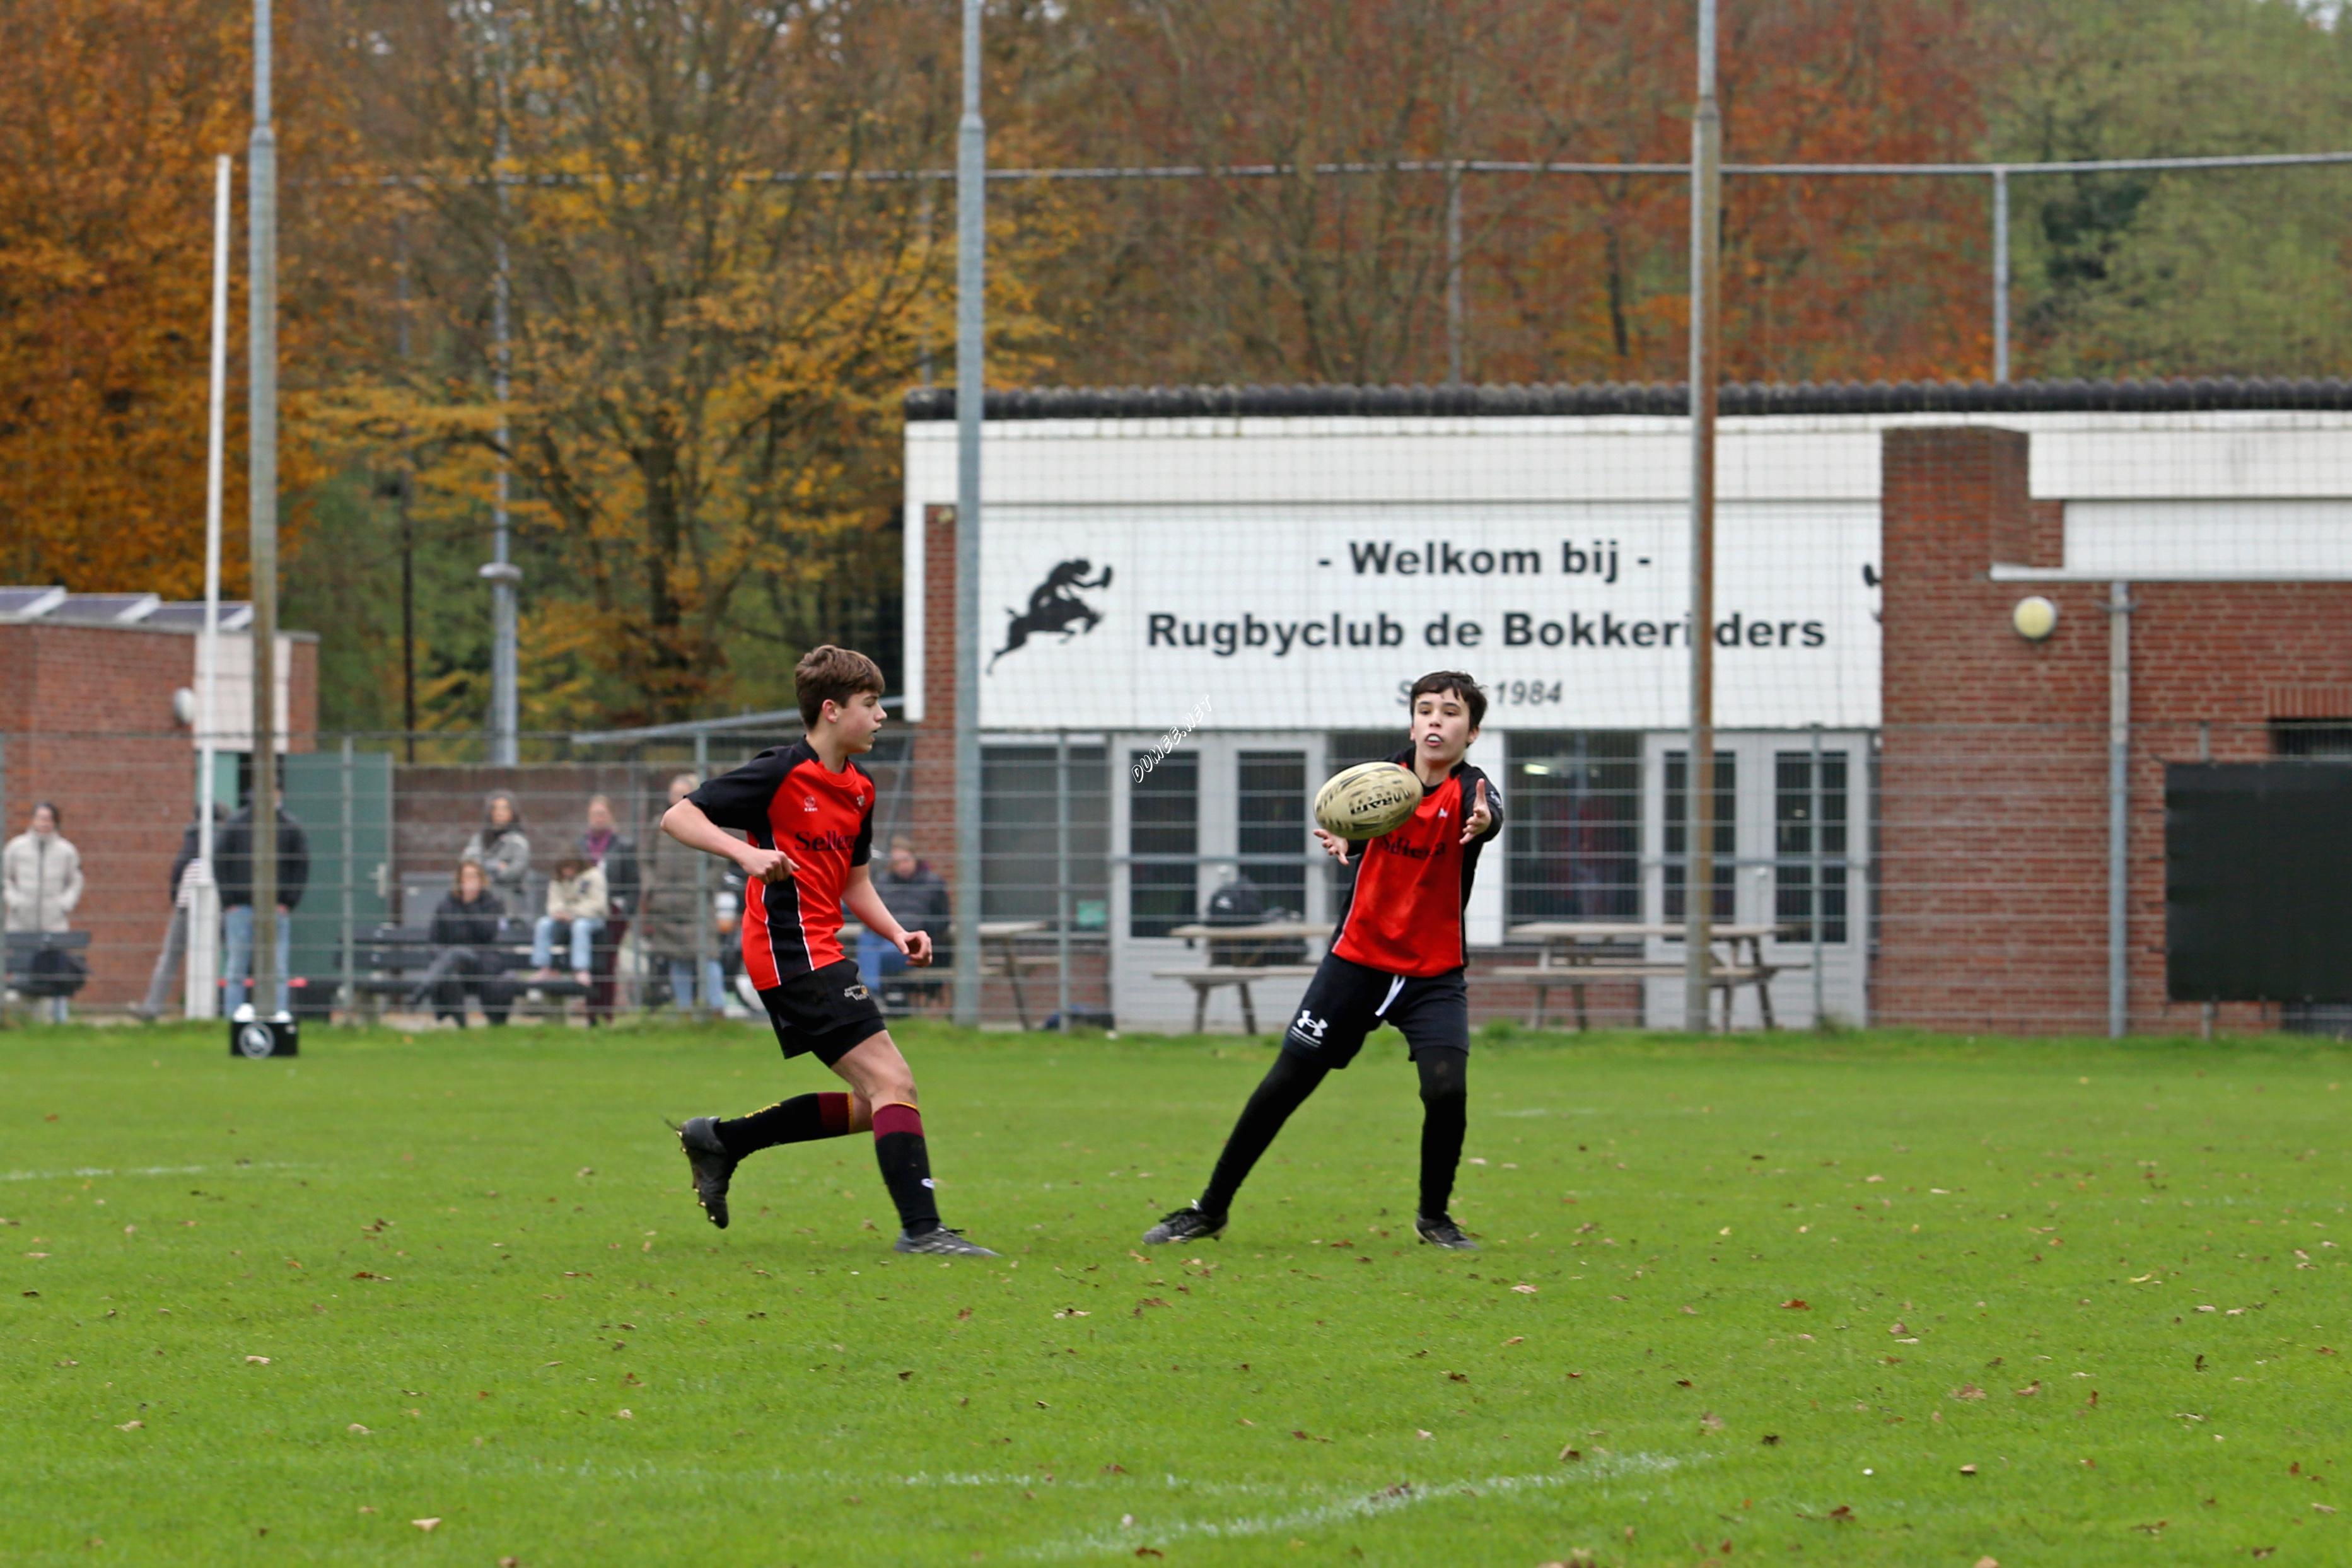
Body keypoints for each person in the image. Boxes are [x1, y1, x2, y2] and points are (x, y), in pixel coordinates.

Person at [1143, 671, 1503, 1252]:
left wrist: (1486, 825)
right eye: (1426, 709)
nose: (1436, 719)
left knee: (1446, 1090)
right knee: (1284, 1084)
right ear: (1413, 723)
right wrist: (1346, 839)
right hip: (1356, 962)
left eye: (1452, 712)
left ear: (1472, 732)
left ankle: (1434, 1217)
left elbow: (1488, 818)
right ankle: (1208, 1209)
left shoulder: (1473, 791)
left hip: (1432, 973)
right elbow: (1359, 826)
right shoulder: (1380, 781)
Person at [662, 644, 996, 1257]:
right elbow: (677, 818)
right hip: (788, 952)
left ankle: (723, 1140)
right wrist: (747, 854)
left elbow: (855, 884)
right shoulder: (780, 772)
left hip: (820, 951)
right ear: (831, 710)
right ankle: (922, 1232)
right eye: (871, 705)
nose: (881, 717)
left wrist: (896, 932)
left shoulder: (861, 790)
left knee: (878, 1103)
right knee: (895, 1082)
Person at [130, 804, 227, 1021]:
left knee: (171, 956)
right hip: (216, 904)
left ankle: (153, 1007)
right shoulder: (223, 839)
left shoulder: (193, 837)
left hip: (188, 903)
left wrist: (176, 898)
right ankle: (227, 1008)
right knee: (223, 956)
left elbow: (178, 870)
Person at [218, 794, 310, 1018]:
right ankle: (232, 1018)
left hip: (276, 908)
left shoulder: (289, 827)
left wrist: (288, 901)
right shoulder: (236, 826)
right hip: (240, 907)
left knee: (277, 967)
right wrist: (229, 901)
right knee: (237, 966)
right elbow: (220, 861)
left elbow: (301, 866)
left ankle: (277, 1016)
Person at [639, 773, 725, 1012]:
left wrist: (705, 886)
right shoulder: (658, 824)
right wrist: (652, 886)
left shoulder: (707, 822)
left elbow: (719, 860)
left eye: (681, 792)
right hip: (665, 902)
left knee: (708, 956)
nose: (675, 796)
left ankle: (716, 1009)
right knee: (677, 958)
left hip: (697, 901)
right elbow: (645, 859)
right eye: (673, 792)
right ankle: (684, 1011)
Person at [4, 802, 85, 1023]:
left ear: (55, 822)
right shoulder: (16, 847)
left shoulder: (66, 851)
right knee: (21, 972)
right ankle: (20, 1020)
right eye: (40, 818)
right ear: (32, 820)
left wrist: (65, 904)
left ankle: (58, 1021)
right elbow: (6, 879)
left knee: (55, 973)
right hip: (21, 921)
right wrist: (15, 901)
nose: (43, 823)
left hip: (54, 922)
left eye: (48, 819)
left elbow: (76, 881)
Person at [409, 860, 517, 1026]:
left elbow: (487, 934)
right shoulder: (446, 905)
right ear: (459, 880)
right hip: (454, 966)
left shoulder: (491, 904)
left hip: (482, 962)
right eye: (466, 877)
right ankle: (462, 1027)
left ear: (481, 880)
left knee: (456, 953)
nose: (470, 881)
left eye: (474, 877)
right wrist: (443, 959)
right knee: (450, 971)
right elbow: (434, 940)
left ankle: (423, 990)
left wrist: (471, 905)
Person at [858, 835, 949, 996]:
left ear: (915, 858)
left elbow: (943, 920)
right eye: (897, 862)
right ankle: (873, 993)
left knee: (869, 957)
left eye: (906, 860)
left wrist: (922, 930)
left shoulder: (933, 883)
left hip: (911, 943)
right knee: (866, 941)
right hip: (884, 939)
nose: (902, 866)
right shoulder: (883, 883)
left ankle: (870, 993)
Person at [578, 793, 639, 1023]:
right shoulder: (580, 846)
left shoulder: (623, 846)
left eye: (603, 814)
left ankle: (606, 1014)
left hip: (613, 912)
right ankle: (591, 1015)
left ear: (611, 816)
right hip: (585, 912)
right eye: (595, 814)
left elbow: (634, 883)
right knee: (590, 963)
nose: (599, 818)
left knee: (608, 964)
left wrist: (627, 912)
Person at [530, 854, 607, 987]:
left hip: (591, 919)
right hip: (563, 919)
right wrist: (560, 913)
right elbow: (553, 903)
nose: (567, 872)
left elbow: (598, 904)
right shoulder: (558, 880)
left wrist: (574, 913)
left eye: (570, 867)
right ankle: (544, 967)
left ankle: (581, 969)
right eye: (564, 868)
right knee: (544, 924)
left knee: (580, 926)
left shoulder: (594, 876)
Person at [461, 792, 531, 909]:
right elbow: (467, 862)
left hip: (509, 901)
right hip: (478, 898)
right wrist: (495, 867)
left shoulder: (519, 842)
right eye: (495, 808)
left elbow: (517, 870)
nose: (499, 813)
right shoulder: (478, 839)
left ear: (512, 812)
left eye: (504, 808)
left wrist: (485, 872)